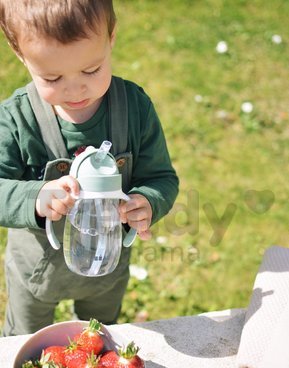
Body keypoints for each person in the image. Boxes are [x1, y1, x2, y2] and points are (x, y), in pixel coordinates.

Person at [0, 0, 179, 336]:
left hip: (106, 269)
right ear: (19, 53)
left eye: (91, 70)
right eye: (52, 77)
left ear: (111, 38)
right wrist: (35, 197)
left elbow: (160, 177)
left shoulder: (134, 108)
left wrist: (148, 201)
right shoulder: (16, 120)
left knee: (97, 336)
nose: (75, 89)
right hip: (36, 273)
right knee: (25, 345)